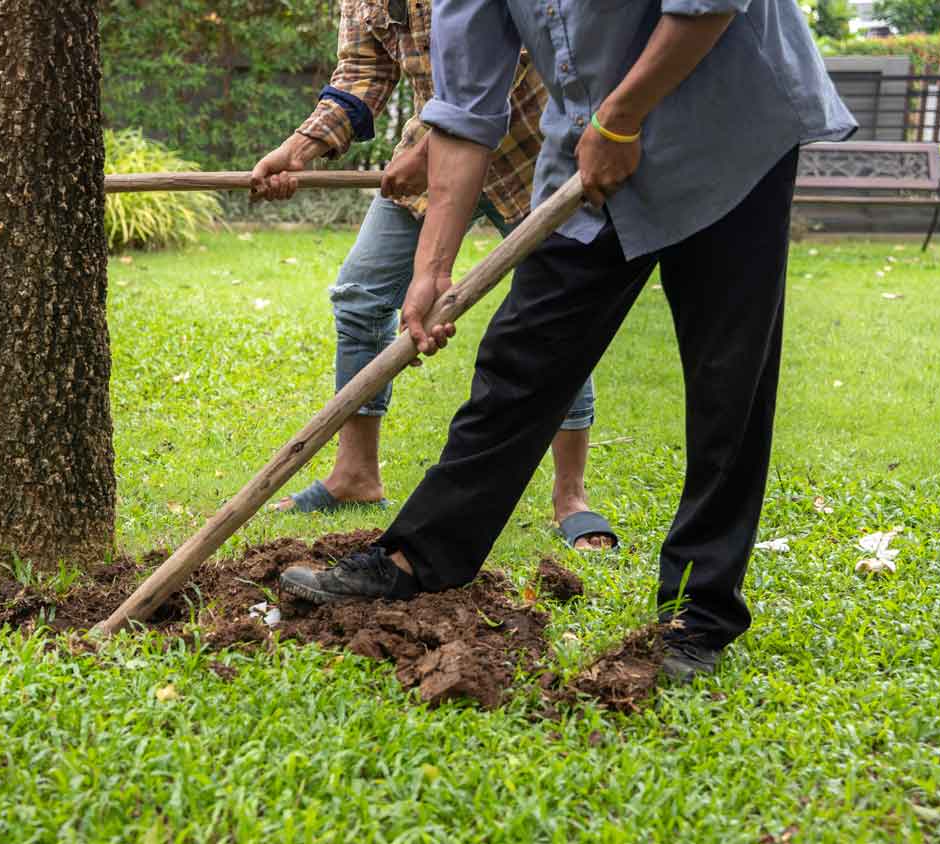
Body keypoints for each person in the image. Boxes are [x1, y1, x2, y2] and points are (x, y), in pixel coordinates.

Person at [280, 0, 856, 682]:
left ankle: (698, 612)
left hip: (729, 133)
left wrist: (621, 119)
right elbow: (466, 109)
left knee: (728, 380)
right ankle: (417, 559)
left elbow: (708, 5)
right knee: (522, 354)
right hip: (588, 147)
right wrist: (432, 268)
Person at [250, 0, 617, 550]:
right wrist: (300, 149)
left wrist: (424, 149)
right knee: (361, 295)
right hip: (441, 155)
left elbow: (517, 52)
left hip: (532, 155)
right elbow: (362, 73)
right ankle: (355, 475)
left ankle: (571, 497)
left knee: (554, 310)